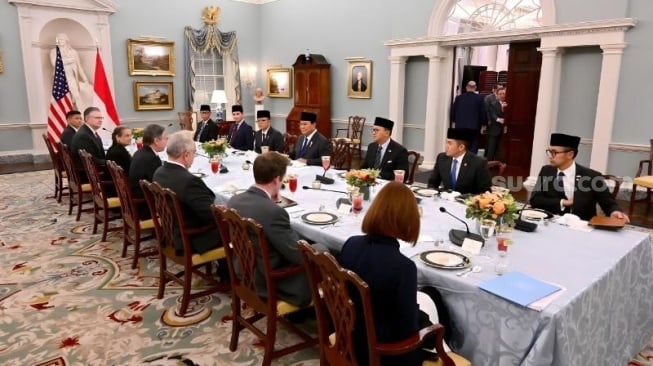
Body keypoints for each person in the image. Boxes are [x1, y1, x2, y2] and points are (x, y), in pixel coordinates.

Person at [337, 182, 445, 366]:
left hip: (348, 336)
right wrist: (423, 320)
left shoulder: (351, 244)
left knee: (430, 298)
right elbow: (407, 330)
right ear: (408, 219)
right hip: (383, 353)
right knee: (436, 315)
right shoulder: (403, 267)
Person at [228, 152, 328, 307]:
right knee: (325, 251)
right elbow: (298, 256)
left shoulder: (234, 201)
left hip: (243, 270)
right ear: (277, 179)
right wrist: (319, 246)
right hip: (270, 282)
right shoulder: (274, 212)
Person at [153, 131, 225, 260]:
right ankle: (228, 274)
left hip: (171, 233)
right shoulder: (189, 181)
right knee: (240, 229)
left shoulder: (159, 172)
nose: (194, 158)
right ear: (186, 155)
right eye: (194, 154)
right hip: (192, 239)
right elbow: (212, 216)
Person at [529, 133, 630, 222]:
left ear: (570, 154)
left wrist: (615, 212)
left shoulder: (591, 176)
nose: (550, 156)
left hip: (582, 227)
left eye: (554, 152)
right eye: (549, 151)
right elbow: (535, 199)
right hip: (551, 224)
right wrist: (563, 202)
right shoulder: (546, 171)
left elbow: (608, 203)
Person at [427, 128, 491, 194]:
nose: (446, 146)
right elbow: (432, 183)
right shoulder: (442, 158)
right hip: (445, 200)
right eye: (446, 142)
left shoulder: (478, 162)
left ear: (461, 147)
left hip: (466, 202)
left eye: (449, 143)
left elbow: (485, 191)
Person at [129, 124, 168, 219]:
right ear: (156, 141)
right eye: (165, 138)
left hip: (138, 197)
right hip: (146, 205)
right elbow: (159, 185)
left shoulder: (140, 152)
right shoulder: (152, 158)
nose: (167, 141)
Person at [50, 33, 91, 111]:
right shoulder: (54, 51)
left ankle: (82, 113)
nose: (60, 41)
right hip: (60, 78)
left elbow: (79, 66)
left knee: (77, 96)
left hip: (71, 77)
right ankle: (64, 115)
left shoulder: (73, 52)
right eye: (58, 39)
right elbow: (54, 63)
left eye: (61, 39)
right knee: (62, 97)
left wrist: (85, 79)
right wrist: (68, 61)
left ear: (66, 40)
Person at [361, 117, 409, 181]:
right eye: (373, 130)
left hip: (388, 186)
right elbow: (365, 168)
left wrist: (376, 174)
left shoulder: (399, 150)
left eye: (377, 130)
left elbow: (403, 176)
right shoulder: (371, 147)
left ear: (387, 133)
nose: (373, 133)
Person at [70, 107, 106, 182]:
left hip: (90, 170)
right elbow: (92, 160)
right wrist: (111, 162)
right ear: (86, 119)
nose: (100, 120)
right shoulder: (84, 136)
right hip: (87, 175)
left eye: (101, 118)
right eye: (97, 118)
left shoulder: (88, 131)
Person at [450, 81, 485, 153]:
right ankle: (470, 162)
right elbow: (483, 113)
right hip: (474, 127)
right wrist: (484, 124)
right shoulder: (480, 98)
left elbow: (453, 111)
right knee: (473, 146)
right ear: (475, 88)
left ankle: (461, 161)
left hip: (460, 126)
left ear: (466, 87)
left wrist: (455, 121)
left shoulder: (459, 98)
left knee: (461, 145)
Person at [485, 87, 507, 161]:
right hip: (494, 128)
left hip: (505, 130)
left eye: (503, 93)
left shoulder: (508, 103)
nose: (502, 95)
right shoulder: (493, 104)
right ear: (497, 95)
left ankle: (498, 164)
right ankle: (489, 165)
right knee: (491, 148)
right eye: (500, 94)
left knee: (500, 149)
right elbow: (493, 114)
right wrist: (498, 119)